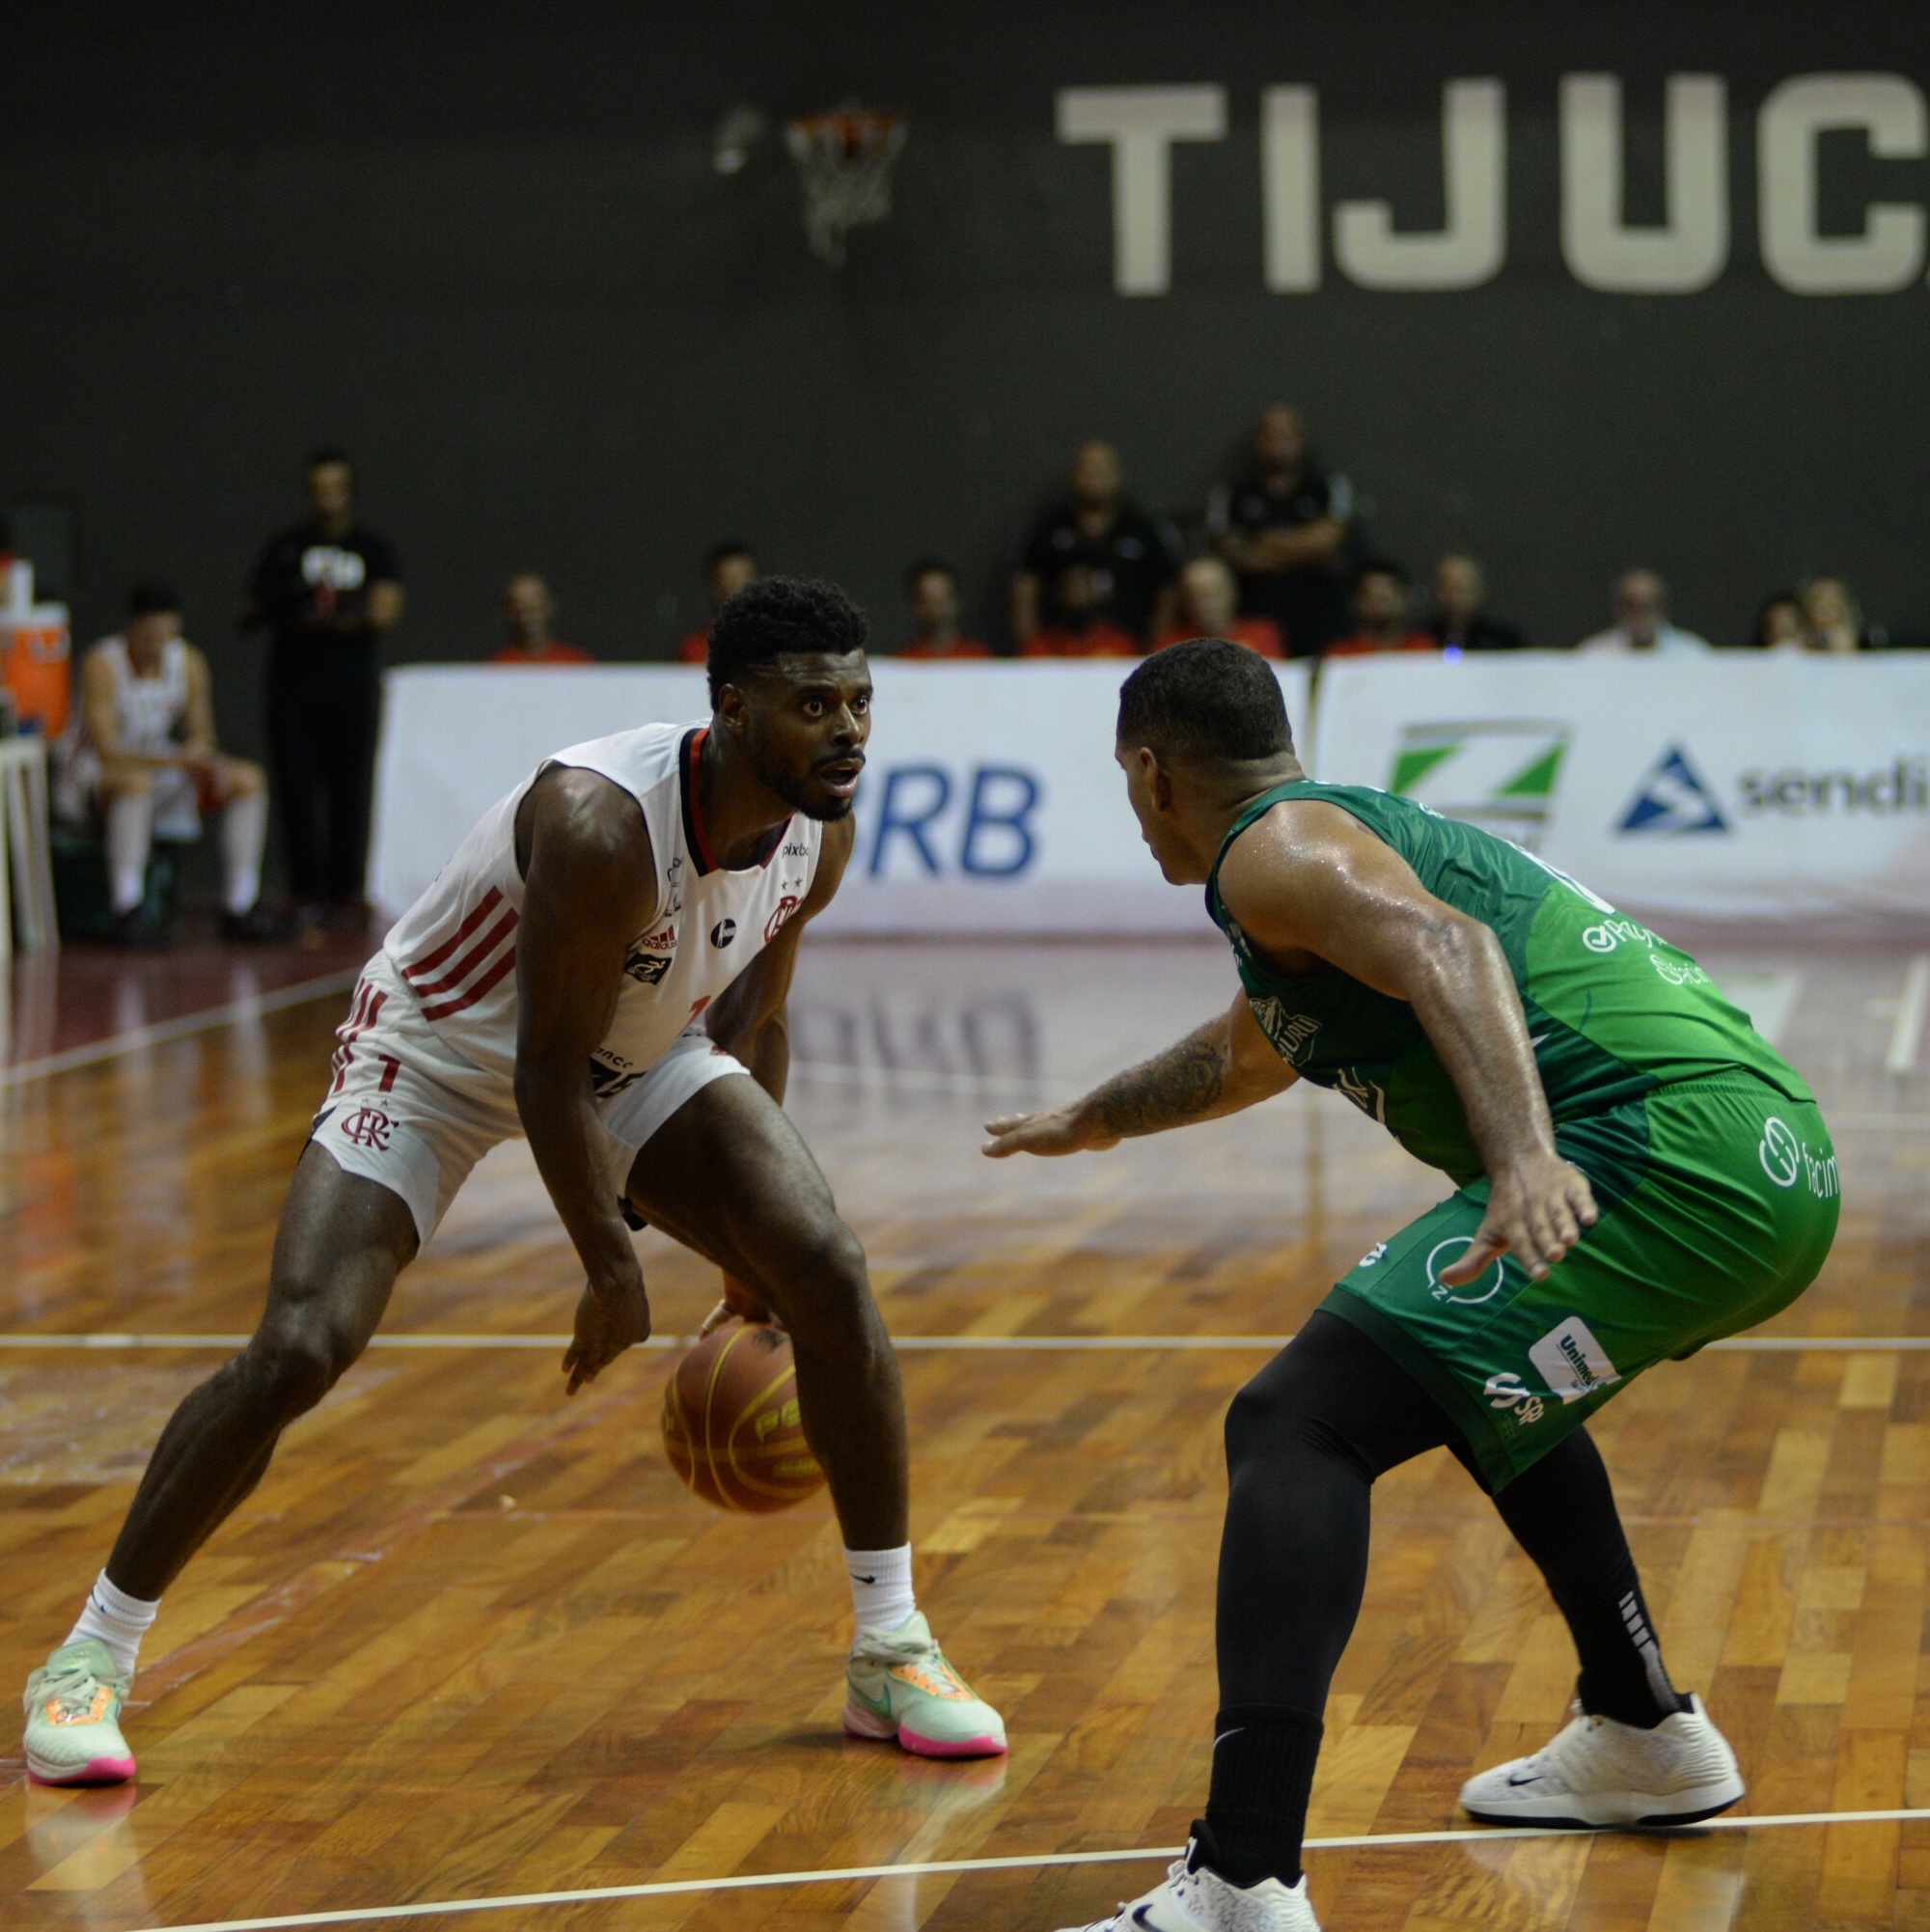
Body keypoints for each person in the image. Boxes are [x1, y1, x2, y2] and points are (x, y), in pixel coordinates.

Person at [22, 577, 1006, 1790]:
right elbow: (541, 1074)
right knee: (303, 1343)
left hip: (637, 1047)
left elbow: (755, 1015)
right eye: (815, 704)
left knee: (827, 1270)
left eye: (859, 700)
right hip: (441, 1050)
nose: (849, 729)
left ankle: (888, 1645)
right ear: (733, 707)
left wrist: (747, 1262)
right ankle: (88, 1657)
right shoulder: (601, 821)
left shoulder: (820, 825)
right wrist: (613, 1264)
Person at [991, 640, 1836, 1932]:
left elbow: (1446, 947)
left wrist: (1522, 1154)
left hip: (1662, 1150)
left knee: (1298, 1421)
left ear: (1153, 772)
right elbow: (1247, 1055)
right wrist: (1093, 1117)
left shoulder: (1273, 852)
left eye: (1127, 779)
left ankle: (1244, 1876)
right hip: (1768, 1158)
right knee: (1469, 1377)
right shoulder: (1322, 858)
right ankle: (1639, 1724)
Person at [53, 583, 278, 944]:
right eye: (147, 637)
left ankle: (240, 904)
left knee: (247, 779)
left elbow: (202, 733)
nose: (155, 646)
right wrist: (178, 759)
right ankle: (126, 907)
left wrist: (202, 758)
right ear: (131, 630)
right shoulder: (103, 662)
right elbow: (107, 749)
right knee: (136, 782)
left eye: (164, 637)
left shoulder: (188, 662)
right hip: (91, 778)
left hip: (163, 768)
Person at [246, 449, 404, 929]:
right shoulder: (286, 548)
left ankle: (346, 890)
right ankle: (303, 889)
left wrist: (338, 619)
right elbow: (257, 604)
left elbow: (385, 609)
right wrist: (296, 611)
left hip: (349, 685)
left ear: (349, 492)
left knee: (349, 785)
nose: (327, 500)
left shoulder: (371, 549)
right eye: (318, 490)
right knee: (295, 784)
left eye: (335, 489)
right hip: (294, 684)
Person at [1206, 407, 1355, 658]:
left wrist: (1265, 542)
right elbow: (1236, 555)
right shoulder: (1233, 494)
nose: (1279, 443)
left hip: (1318, 620)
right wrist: (1303, 550)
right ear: (1258, 440)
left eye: (1287, 435)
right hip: (1254, 621)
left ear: (1301, 439)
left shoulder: (1327, 487)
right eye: (1271, 435)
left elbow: (1326, 544)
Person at [1011, 441, 1181, 650]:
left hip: (1130, 651)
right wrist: (1029, 648)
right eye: (1087, 471)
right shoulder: (1050, 528)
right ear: (1073, 475)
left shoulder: (1143, 529)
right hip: (1058, 654)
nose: (1095, 478)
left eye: (1103, 471)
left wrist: (1156, 649)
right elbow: (1026, 586)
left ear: (1119, 475)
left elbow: (1167, 590)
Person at [1152, 556, 1282, 657]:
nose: (1208, 603)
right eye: (1198, 595)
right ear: (1186, 602)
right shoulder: (1171, 645)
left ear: (1232, 593)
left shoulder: (1262, 635)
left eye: (1215, 592)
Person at [1019, 562, 1141, 658]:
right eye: (1072, 586)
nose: (1078, 593)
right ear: (1060, 593)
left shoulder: (1120, 644)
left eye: (1084, 586)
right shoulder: (1042, 645)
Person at [1576, 570, 1708, 655]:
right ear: (1619, 609)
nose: (1640, 615)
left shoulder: (1691, 653)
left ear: (1662, 608)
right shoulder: (1594, 654)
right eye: (1631, 605)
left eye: (1648, 605)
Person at [1322, 561, 1435, 658]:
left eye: (1384, 598)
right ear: (1354, 602)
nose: (1377, 604)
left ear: (1404, 599)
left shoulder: (1422, 649)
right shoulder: (1341, 654)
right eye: (1370, 597)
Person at [676, 543, 759, 663]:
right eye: (726, 581)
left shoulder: (779, 645)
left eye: (742, 579)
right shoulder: (694, 648)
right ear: (712, 587)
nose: (734, 589)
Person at [1424, 553, 1528, 651]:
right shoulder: (1421, 637)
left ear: (1478, 590)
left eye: (1462, 589)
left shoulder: (1503, 640)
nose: (1455, 596)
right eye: (1448, 588)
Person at [898, 560, 991, 659]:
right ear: (914, 606)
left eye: (942, 600)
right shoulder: (904, 660)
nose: (936, 610)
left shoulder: (978, 657)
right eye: (927, 601)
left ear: (957, 602)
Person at [491, 574, 592, 665]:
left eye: (534, 609)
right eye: (520, 610)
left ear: (549, 607)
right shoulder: (499, 666)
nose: (527, 618)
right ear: (508, 612)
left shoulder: (575, 663)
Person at [1798, 576, 1882, 652]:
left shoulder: (1848, 635)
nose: (1822, 604)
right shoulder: (1798, 638)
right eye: (1816, 598)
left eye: (1831, 600)